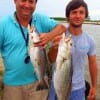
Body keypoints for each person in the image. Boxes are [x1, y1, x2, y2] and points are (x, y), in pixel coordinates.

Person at [0, 0, 66, 100]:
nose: (27, 5)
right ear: (15, 1)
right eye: (23, 0)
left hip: (38, 84)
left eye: (31, 1)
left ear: (35, 4)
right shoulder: (3, 25)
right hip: (12, 86)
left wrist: (49, 36)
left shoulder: (40, 19)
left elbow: (62, 27)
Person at [48, 0, 98, 100]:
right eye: (74, 12)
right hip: (58, 84)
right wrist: (54, 48)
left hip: (79, 89)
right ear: (68, 16)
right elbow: (51, 59)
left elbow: (92, 64)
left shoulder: (90, 40)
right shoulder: (58, 35)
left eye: (81, 12)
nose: (77, 15)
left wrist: (94, 86)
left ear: (85, 15)